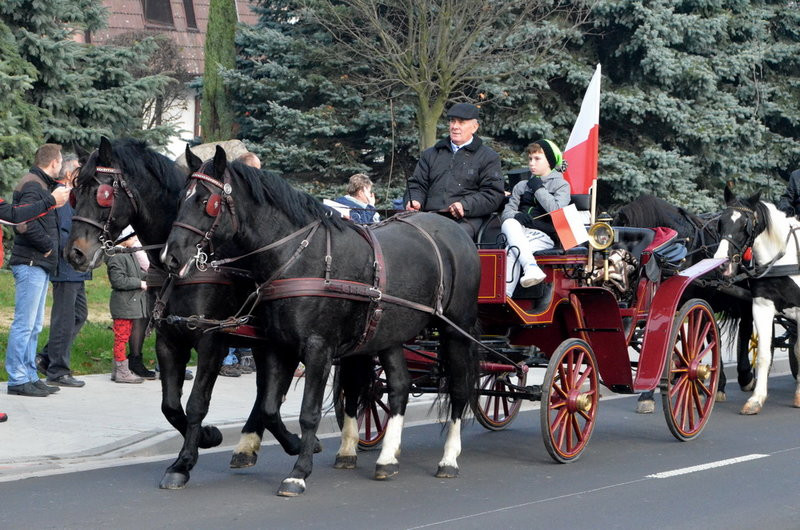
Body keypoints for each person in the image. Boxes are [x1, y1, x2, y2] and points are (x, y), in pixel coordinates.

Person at [5, 144, 64, 398]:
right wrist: (48, 247)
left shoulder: (40, 183)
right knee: (24, 324)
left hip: (38, 263)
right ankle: (17, 378)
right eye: (60, 162)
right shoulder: (33, 184)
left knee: (35, 325)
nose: (61, 167)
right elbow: (22, 222)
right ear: (53, 163)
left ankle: (29, 375)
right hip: (30, 262)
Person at [405, 102, 505, 238]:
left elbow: (493, 194)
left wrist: (465, 205)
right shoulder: (431, 154)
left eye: (461, 122)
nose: (455, 126)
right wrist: (415, 201)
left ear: (474, 127)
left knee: (447, 238)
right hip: (429, 217)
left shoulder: (488, 157)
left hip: (467, 220)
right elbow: (417, 184)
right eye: (452, 121)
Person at [35, 155, 89, 387]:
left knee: (79, 315)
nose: (82, 171)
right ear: (69, 174)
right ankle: (58, 370)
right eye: (78, 168)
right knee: (64, 319)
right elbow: (59, 231)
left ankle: (47, 357)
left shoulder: (71, 196)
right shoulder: (60, 196)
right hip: (67, 265)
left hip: (77, 267)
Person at [500, 140, 571, 297]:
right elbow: (506, 213)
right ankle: (531, 267)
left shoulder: (561, 185)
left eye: (537, 159)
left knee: (511, 251)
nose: (532, 163)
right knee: (510, 222)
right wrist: (517, 215)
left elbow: (556, 210)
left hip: (544, 236)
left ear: (550, 162)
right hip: (519, 231)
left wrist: (538, 188)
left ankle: (505, 296)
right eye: (530, 159)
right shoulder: (521, 186)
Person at [106, 228, 149, 384]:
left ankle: (118, 369)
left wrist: (151, 278)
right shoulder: (116, 256)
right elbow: (118, 280)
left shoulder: (129, 254)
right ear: (122, 238)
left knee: (124, 336)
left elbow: (138, 273)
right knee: (121, 338)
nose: (136, 238)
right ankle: (122, 371)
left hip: (131, 304)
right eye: (133, 236)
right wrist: (140, 283)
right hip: (123, 305)